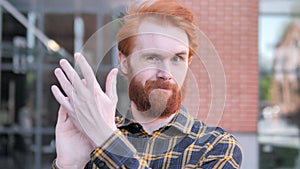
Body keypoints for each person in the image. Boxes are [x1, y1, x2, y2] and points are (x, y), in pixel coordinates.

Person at [51, 0, 243, 168]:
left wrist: (108, 141)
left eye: (177, 58)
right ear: (125, 63)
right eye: (152, 57)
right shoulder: (92, 138)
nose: (166, 73)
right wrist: (70, 165)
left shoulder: (215, 147)